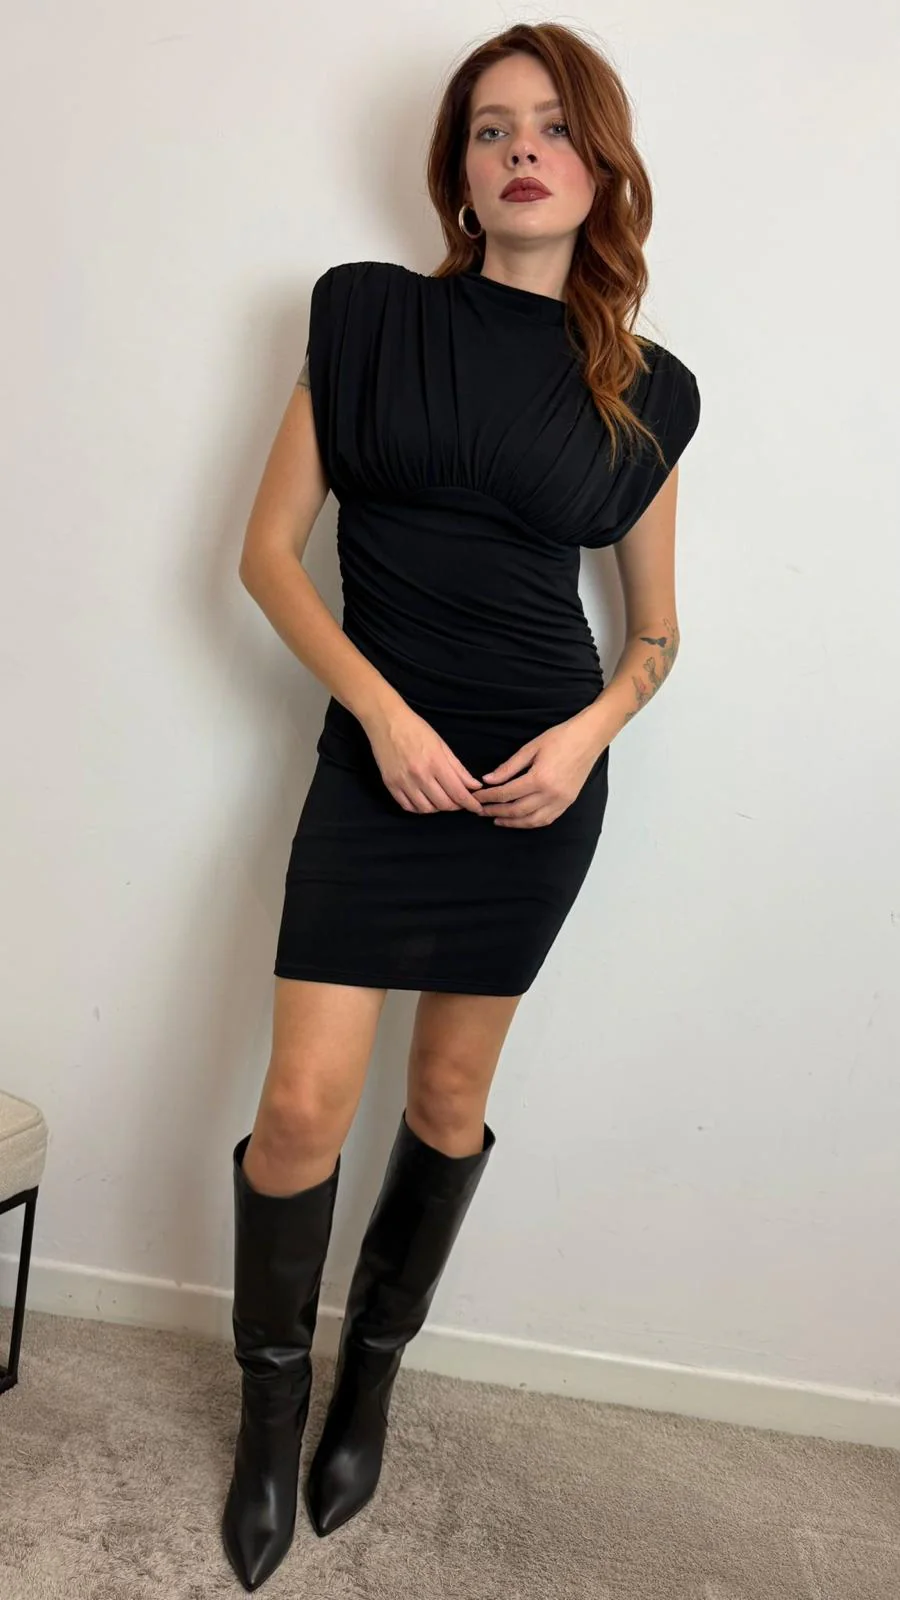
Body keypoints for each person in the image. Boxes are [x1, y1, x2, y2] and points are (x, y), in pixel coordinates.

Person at [221, 19, 701, 1592]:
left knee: (442, 1103)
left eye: (551, 126)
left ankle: (368, 1382)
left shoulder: (649, 390)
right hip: (378, 765)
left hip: (531, 792)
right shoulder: (367, 316)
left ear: (600, 165)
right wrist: (379, 714)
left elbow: (655, 634)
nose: (521, 150)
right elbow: (268, 556)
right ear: (460, 172)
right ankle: (269, 1413)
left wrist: (588, 736)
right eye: (491, 129)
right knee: (303, 1109)